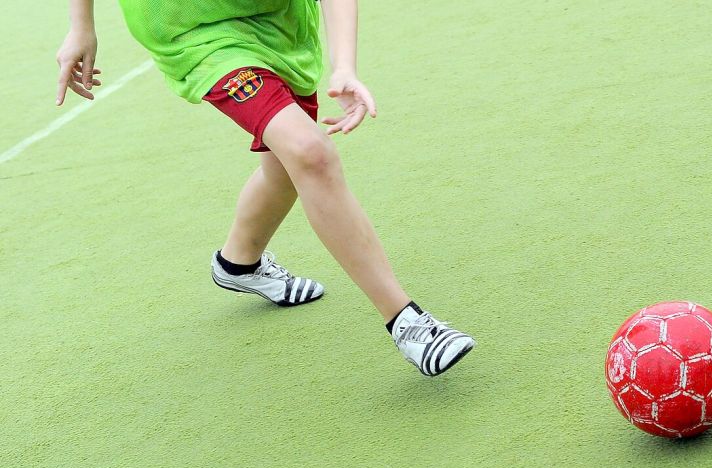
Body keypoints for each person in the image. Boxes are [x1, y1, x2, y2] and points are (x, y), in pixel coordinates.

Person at [55, 0, 475, 376]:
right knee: (311, 153)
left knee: (286, 171)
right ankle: (407, 322)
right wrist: (81, 25)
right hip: (194, 32)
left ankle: (239, 264)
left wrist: (344, 64)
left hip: (282, 25)